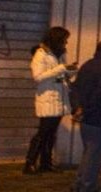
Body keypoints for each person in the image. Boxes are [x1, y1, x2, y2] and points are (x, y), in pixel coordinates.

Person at [69, 38, 101, 192]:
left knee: (88, 151)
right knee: (95, 153)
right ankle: (88, 187)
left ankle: (79, 183)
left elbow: (75, 88)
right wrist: (87, 109)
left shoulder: (87, 66)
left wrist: (78, 109)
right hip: (98, 116)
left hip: (85, 117)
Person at [24, 27, 78, 174]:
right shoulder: (41, 54)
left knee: (51, 132)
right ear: (57, 40)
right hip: (47, 99)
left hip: (58, 98)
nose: (66, 43)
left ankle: (45, 163)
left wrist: (70, 70)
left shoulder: (59, 55)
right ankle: (29, 163)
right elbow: (38, 76)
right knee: (43, 132)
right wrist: (61, 69)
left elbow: (59, 76)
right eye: (64, 40)